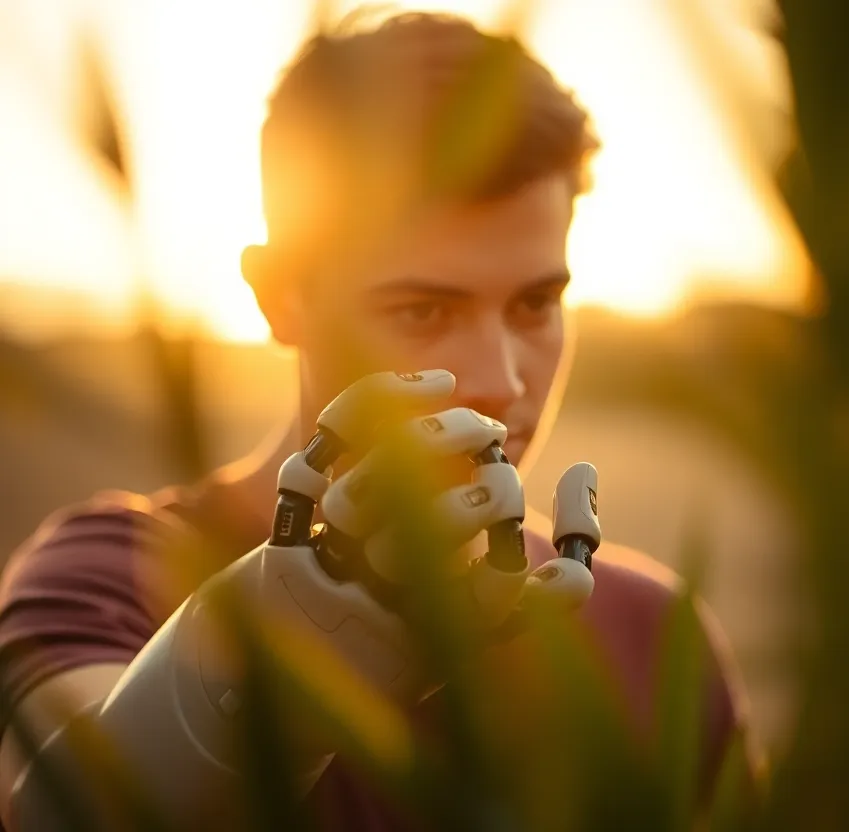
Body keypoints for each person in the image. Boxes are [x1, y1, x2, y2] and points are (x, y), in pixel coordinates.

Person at [0, 10, 758, 830]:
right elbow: (68, 812)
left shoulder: (650, 631)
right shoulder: (111, 579)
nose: (501, 381)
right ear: (280, 296)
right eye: (423, 310)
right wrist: (290, 657)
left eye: (537, 303)